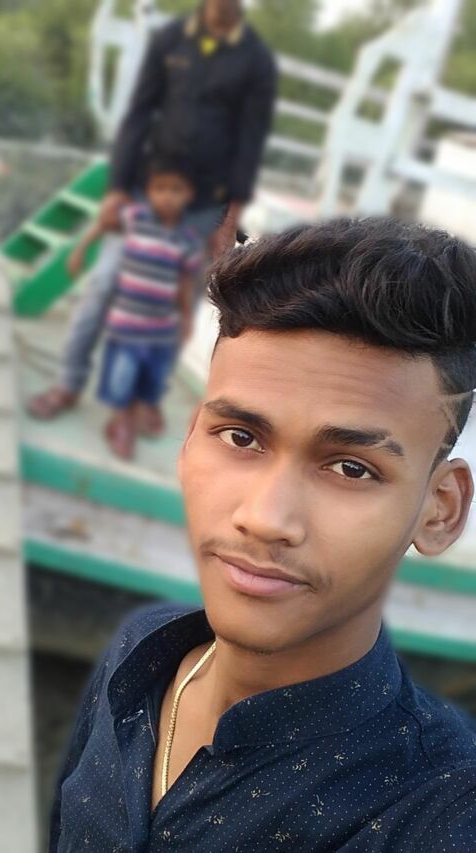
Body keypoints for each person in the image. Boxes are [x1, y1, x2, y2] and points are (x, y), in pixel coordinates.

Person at [48, 217, 476, 852]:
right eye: (241, 437)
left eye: (351, 468)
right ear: (190, 439)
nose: (266, 518)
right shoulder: (140, 655)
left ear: (439, 511)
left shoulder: (440, 812)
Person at [28, 0, 276, 420]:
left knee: (176, 306)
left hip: (204, 207)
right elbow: (138, 117)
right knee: (103, 286)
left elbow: (248, 146)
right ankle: (67, 383)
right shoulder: (170, 40)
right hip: (148, 191)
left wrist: (229, 223)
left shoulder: (256, 61)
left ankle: (145, 395)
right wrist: (116, 191)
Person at [68, 157, 202, 459]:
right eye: (160, 189)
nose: (167, 197)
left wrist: (187, 317)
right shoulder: (135, 219)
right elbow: (104, 224)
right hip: (126, 324)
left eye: (176, 190)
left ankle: (130, 417)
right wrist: (80, 249)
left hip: (160, 330)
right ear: (149, 192)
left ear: (189, 195)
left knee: (149, 380)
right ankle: (122, 422)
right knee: (121, 377)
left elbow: (184, 282)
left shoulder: (188, 240)